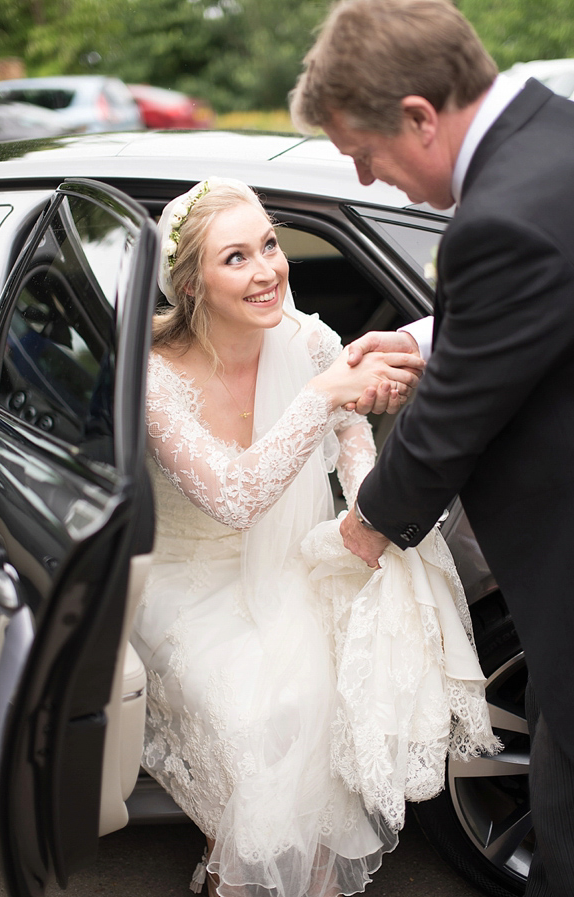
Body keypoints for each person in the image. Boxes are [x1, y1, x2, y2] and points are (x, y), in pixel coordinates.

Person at [133, 176, 497, 896]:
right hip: (194, 580)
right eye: (235, 258)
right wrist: (321, 392)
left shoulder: (310, 336)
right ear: (192, 284)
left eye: (269, 244)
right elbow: (236, 498)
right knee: (262, 711)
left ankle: (287, 878)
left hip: (297, 555)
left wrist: (360, 505)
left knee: (339, 687)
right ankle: (238, 871)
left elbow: (351, 426)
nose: (268, 269)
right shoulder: (153, 377)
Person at [290, 2, 574, 894]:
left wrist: (368, 526)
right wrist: (425, 338)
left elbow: (452, 421)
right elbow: (536, 311)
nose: (371, 180)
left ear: (420, 114)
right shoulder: (551, 141)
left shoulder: (503, 219)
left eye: (364, 155)